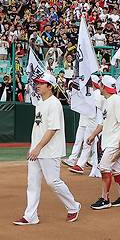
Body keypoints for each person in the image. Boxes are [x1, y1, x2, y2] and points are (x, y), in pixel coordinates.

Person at [13, 73, 81, 225]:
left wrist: (37, 147)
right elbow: (39, 128)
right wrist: (33, 148)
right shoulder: (40, 103)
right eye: (37, 82)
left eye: (42, 83)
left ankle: (73, 206)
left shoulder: (54, 103)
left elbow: (52, 129)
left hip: (50, 150)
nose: (38, 85)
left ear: (50, 86)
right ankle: (30, 215)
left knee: (53, 181)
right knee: (32, 183)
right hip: (37, 150)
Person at [84, 75, 120, 209]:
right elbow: (103, 123)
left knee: (104, 168)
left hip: (114, 142)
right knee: (116, 170)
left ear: (104, 87)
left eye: (101, 85)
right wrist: (93, 135)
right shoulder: (107, 101)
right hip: (109, 141)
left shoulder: (116, 100)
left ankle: (105, 199)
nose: (99, 87)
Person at [68, 75, 104, 178]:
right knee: (91, 144)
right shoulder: (92, 93)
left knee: (89, 144)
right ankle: (87, 164)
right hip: (92, 121)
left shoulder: (96, 94)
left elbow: (95, 109)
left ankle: (82, 165)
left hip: (94, 121)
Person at [63, 75, 99, 167]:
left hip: (92, 121)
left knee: (91, 142)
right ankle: (73, 159)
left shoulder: (97, 93)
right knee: (79, 140)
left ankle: (92, 161)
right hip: (84, 119)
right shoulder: (86, 92)